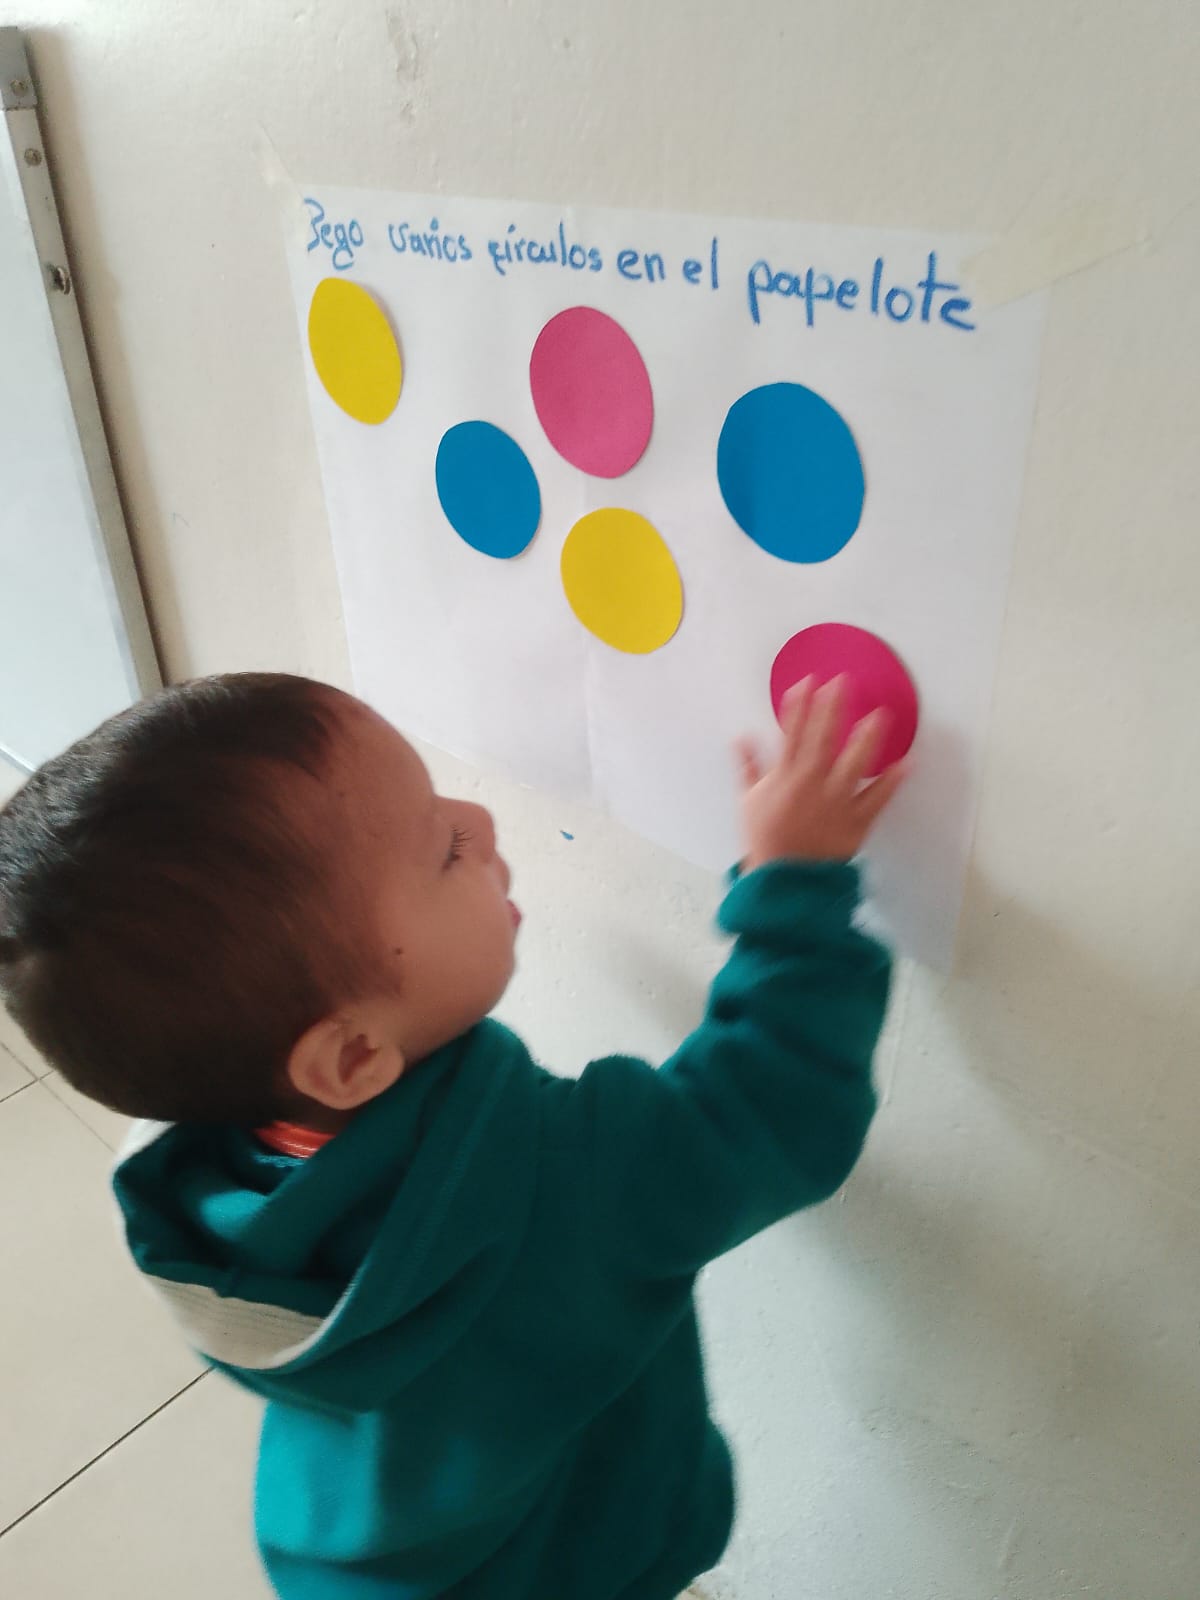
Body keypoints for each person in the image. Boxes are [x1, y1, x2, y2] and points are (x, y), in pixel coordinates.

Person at [0, 670, 905, 1599]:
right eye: (442, 849)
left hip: (352, 1565)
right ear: (353, 1056)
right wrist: (794, 884)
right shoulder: (568, 1177)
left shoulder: (195, 1179)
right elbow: (773, 1104)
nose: (480, 819)